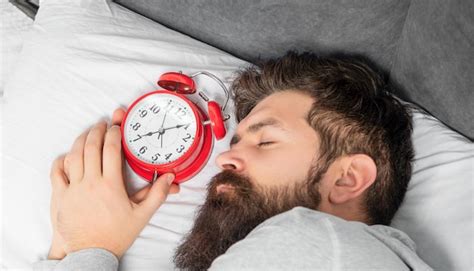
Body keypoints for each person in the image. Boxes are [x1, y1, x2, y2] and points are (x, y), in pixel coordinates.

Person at [34, 52, 432, 270]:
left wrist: (86, 249)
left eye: (266, 141)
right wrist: (70, 250)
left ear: (346, 179)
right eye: (237, 140)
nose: (225, 156)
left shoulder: (313, 243)